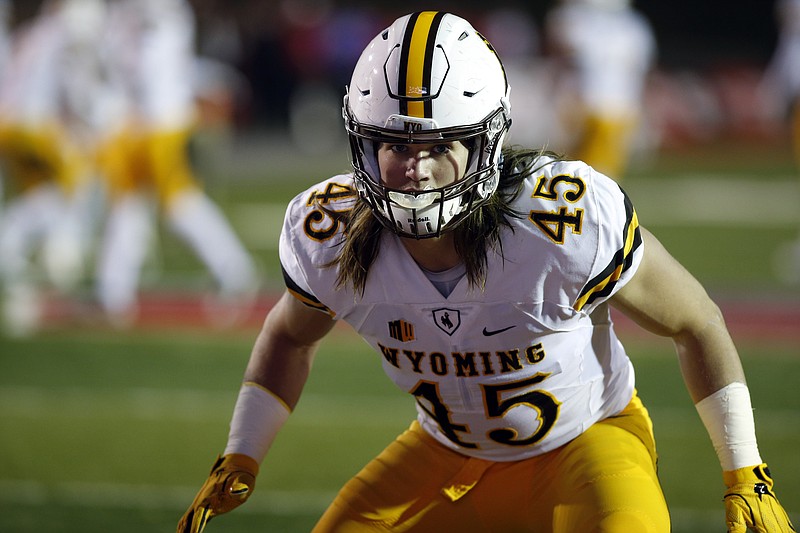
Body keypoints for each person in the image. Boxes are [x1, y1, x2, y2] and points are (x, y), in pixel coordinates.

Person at [178, 11, 794, 533]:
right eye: (394, 145)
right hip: (443, 451)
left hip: (586, 445)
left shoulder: (559, 223)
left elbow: (696, 321)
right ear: (362, 144)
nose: (414, 169)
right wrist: (243, 454)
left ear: (486, 144)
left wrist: (745, 471)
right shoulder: (331, 235)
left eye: (438, 145)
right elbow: (289, 334)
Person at [94, 0, 258, 326]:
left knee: (179, 205)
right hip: (133, 120)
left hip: (164, 120)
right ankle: (113, 291)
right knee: (127, 203)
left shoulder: (163, 11)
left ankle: (235, 271)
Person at [544, 0, 656, 179]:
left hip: (591, 104)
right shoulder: (635, 26)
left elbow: (565, 52)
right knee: (597, 174)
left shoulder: (582, 21)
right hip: (618, 106)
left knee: (573, 170)